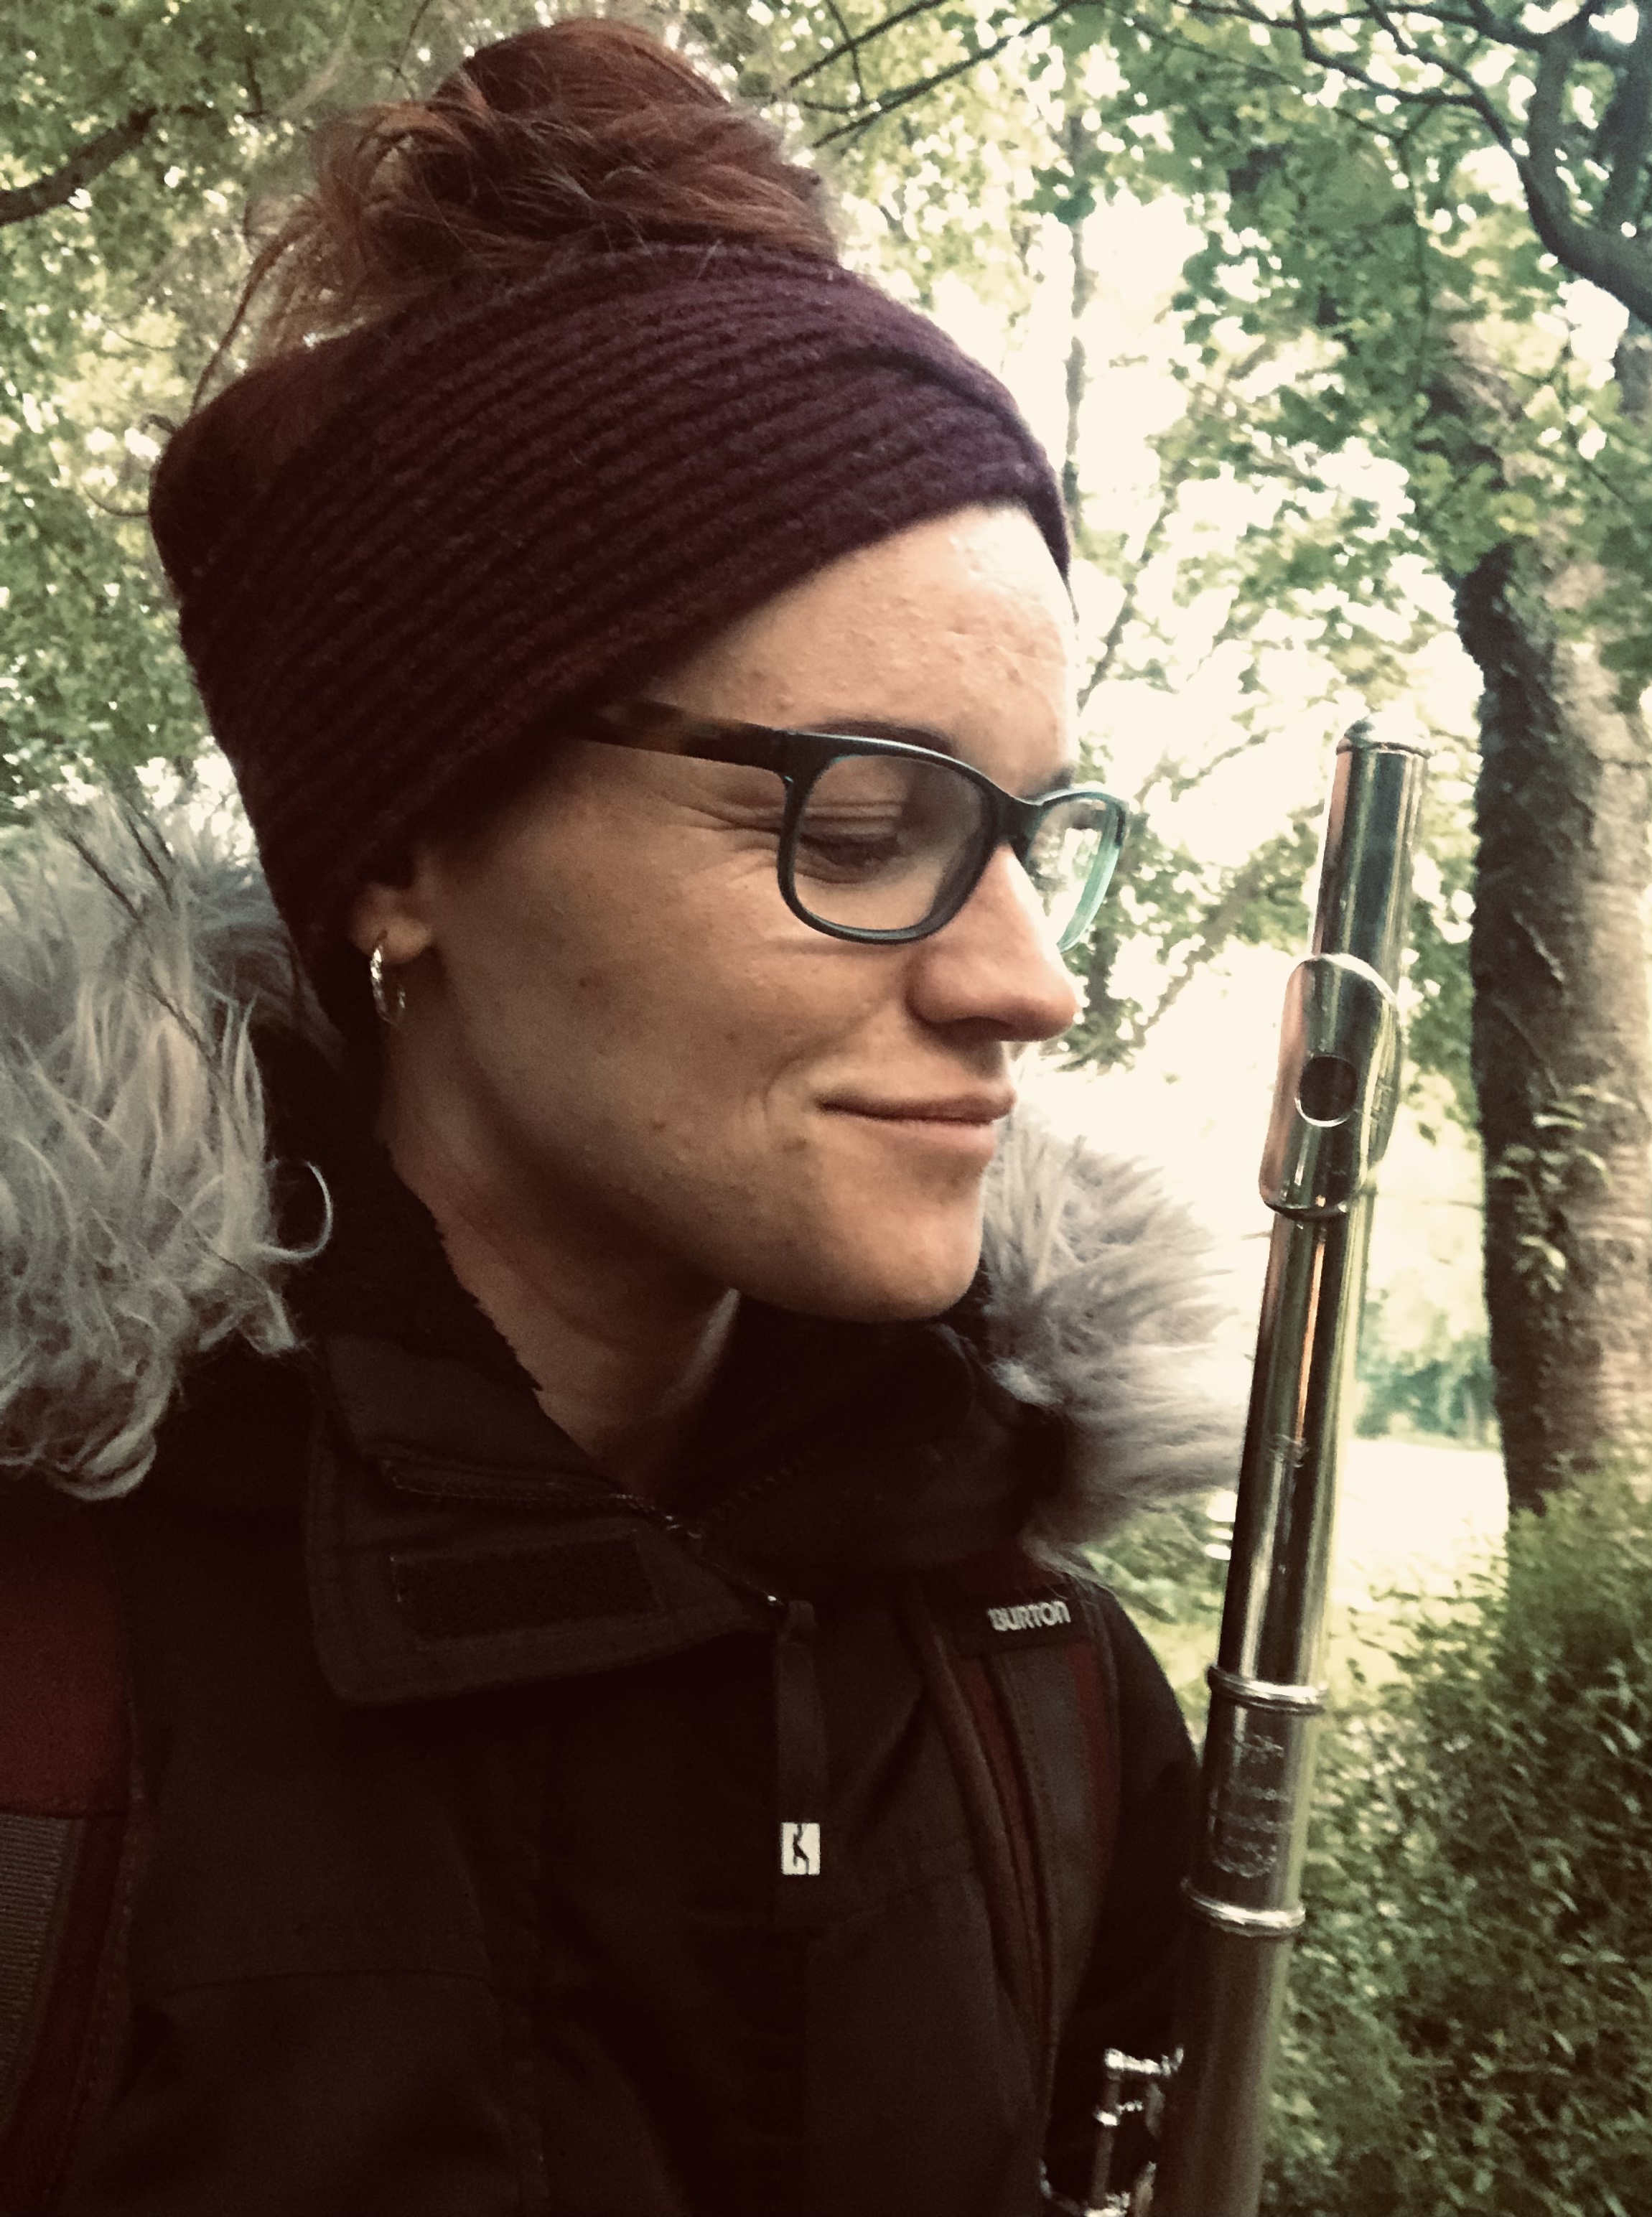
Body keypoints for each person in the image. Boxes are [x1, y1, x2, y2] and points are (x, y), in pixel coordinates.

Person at [0, 21, 1239, 2216]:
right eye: (859, 824)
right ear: (405, 852)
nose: (1033, 982)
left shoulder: (1037, 1692)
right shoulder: (50, 1697)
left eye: (1037, 838)